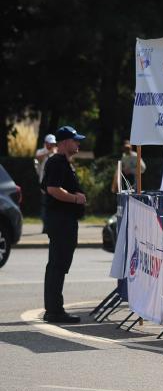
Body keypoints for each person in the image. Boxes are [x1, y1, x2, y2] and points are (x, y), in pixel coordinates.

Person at [41, 126, 87, 323]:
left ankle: (53, 308)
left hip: (63, 220)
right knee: (58, 265)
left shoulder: (60, 162)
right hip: (61, 221)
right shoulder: (57, 162)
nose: (78, 143)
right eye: (75, 140)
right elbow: (52, 189)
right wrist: (76, 199)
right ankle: (54, 310)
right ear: (64, 142)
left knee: (57, 265)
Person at [35, 134, 57, 232]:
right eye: (50, 143)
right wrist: (48, 153)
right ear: (46, 143)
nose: (52, 145)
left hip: (55, 183)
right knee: (45, 205)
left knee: (53, 205)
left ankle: (52, 226)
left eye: (53, 143)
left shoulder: (56, 153)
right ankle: (45, 226)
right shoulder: (41, 152)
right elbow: (38, 158)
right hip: (44, 183)